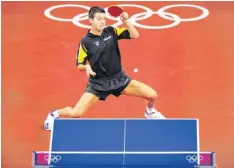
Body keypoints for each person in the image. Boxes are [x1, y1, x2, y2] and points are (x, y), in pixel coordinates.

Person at [44, 6, 165, 131]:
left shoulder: (111, 31)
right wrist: (85, 66)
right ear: (90, 20)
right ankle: (55, 114)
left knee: (152, 95)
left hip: (119, 79)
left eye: (104, 19)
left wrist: (126, 20)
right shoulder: (85, 42)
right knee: (76, 113)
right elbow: (79, 63)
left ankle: (150, 112)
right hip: (98, 84)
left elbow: (135, 35)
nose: (102, 21)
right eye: (98, 19)